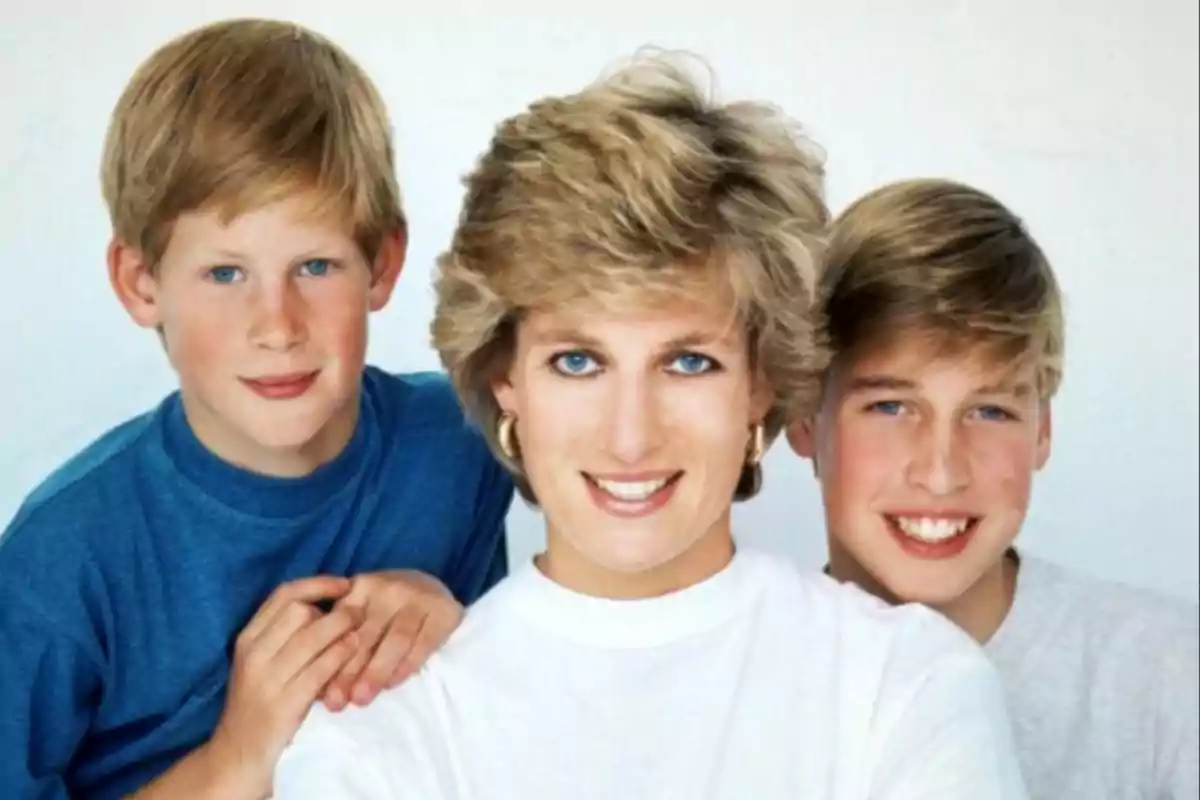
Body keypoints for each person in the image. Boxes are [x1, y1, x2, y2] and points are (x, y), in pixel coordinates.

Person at [271, 53, 1029, 799]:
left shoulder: (907, 686)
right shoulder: (379, 727)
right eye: (578, 362)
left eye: (688, 363)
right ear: (506, 378)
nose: (630, 437)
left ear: (762, 381)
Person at [0, 18, 513, 800]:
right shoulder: (60, 561)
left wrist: (460, 633)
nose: (277, 326)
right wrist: (238, 756)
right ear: (141, 284)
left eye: (315, 265)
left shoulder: (462, 442)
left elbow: (511, 717)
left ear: (382, 264)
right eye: (223, 273)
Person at [787, 177, 1199, 799]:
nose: (941, 471)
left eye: (990, 412)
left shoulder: (1168, 675)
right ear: (801, 418)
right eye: (892, 407)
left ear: (1042, 431)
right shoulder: (741, 682)